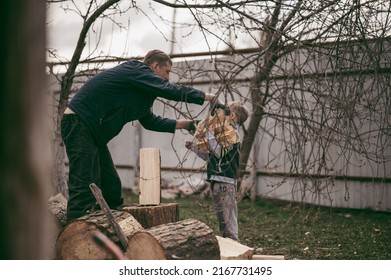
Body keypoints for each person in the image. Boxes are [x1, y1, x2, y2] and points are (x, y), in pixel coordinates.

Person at [61, 49, 219, 221]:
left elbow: (150, 121)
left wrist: (188, 124)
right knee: (84, 181)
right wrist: (207, 97)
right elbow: (169, 89)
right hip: (79, 121)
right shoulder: (136, 70)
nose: (167, 78)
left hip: (92, 132)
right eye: (167, 72)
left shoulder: (140, 91)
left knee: (111, 185)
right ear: (155, 65)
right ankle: (75, 226)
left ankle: (111, 223)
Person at [185, 101, 249, 241]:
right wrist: (195, 148)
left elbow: (218, 152)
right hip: (217, 181)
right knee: (222, 220)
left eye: (223, 113)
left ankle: (235, 245)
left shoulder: (232, 136)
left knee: (228, 220)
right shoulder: (223, 135)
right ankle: (230, 244)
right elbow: (212, 156)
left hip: (225, 182)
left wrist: (210, 133)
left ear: (231, 116)